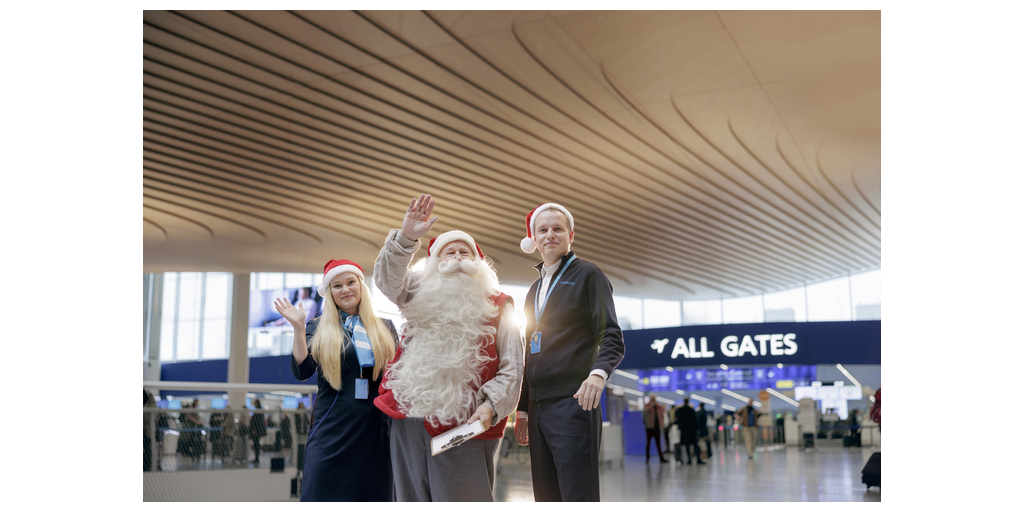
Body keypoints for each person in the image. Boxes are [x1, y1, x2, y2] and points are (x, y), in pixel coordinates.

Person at [373, 194, 523, 502]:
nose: (456, 257)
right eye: (448, 252)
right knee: (410, 498)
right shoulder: (416, 295)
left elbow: (513, 366)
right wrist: (405, 238)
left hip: (467, 420)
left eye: (463, 251)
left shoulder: (499, 305)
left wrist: (491, 406)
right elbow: (387, 281)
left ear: (478, 263)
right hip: (409, 419)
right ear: (434, 264)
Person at [513, 202, 625, 502]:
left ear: (570, 235)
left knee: (577, 496)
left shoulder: (589, 275)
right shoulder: (534, 291)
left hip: (572, 402)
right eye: (543, 229)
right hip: (538, 407)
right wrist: (523, 408)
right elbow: (528, 354)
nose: (550, 234)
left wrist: (598, 375)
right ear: (533, 238)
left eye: (557, 228)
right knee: (546, 497)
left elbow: (612, 336)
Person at [277, 258, 398, 501]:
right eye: (337, 285)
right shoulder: (316, 327)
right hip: (332, 433)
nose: (345, 290)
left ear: (361, 285)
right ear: (329, 293)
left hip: (375, 434)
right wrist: (299, 329)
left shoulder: (386, 327)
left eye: (350, 282)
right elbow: (302, 371)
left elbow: (398, 376)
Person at [674, 398, 703, 465]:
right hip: (692, 430)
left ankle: (689, 459)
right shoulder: (691, 410)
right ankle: (698, 458)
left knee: (687, 446)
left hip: (684, 431)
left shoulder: (680, 410)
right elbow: (696, 420)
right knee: (695, 445)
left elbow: (677, 421)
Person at [642, 394, 668, 463]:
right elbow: (645, 412)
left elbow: (661, 415)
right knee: (648, 443)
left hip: (657, 428)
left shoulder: (658, 406)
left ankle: (661, 458)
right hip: (649, 428)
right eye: (653, 398)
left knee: (659, 444)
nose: (654, 399)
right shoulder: (647, 405)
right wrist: (651, 406)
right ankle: (647, 458)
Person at [249, 399, 267, 465]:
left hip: (256, 431)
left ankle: (257, 458)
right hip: (257, 431)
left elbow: (257, 422)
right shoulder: (258, 411)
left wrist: (255, 430)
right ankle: (256, 457)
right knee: (256, 445)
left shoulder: (258, 411)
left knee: (256, 445)